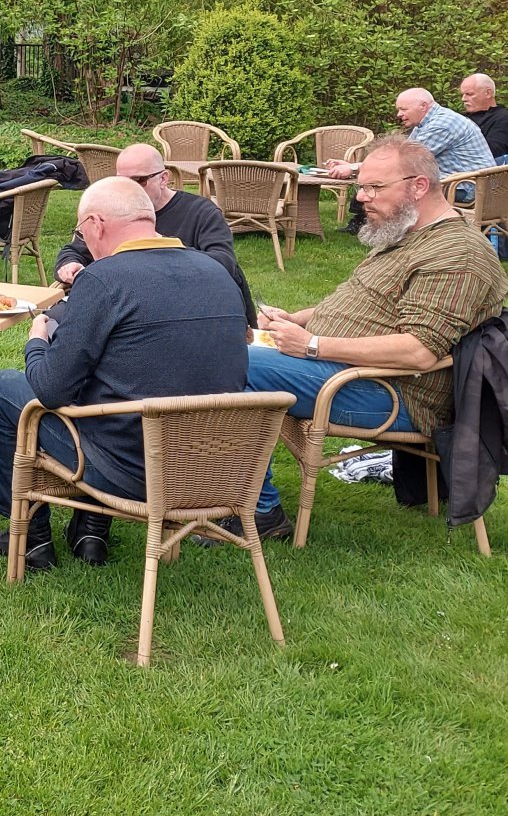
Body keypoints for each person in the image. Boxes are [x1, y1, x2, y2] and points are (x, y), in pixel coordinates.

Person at [0, 177, 249, 570]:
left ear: (97, 225)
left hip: (133, 472)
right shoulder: (218, 271)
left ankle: (30, 540)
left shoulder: (103, 279)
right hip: (216, 468)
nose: (83, 241)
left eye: (80, 232)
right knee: (113, 378)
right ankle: (89, 532)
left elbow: (51, 389)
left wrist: (37, 339)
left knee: (3, 388)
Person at [240, 135, 507, 537]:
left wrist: (312, 345)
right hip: (348, 371)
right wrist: (298, 319)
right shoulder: (405, 233)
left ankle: (259, 515)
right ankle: (211, 488)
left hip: (392, 393)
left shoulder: (458, 255)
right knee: (224, 345)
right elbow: (370, 303)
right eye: (361, 186)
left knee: (229, 362)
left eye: (374, 187)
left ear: (418, 186)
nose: (361, 197)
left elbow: (418, 351)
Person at [54, 143, 253, 319]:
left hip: (188, 309)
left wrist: (163, 250)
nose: (129, 188)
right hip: (132, 307)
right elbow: (76, 248)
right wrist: (69, 264)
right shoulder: (113, 211)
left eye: (138, 180)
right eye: (122, 181)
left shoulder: (201, 213)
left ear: (164, 178)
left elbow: (224, 263)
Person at [323, 89, 494, 182]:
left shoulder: (442, 125)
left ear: (423, 106)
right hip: (460, 182)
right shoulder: (426, 122)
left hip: (472, 187)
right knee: (398, 180)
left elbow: (403, 160)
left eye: (403, 109)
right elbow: (401, 154)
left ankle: (400, 237)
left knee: (397, 185)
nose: (398, 114)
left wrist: (353, 169)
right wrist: (353, 166)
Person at [459, 73, 508, 163]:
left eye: (469, 94)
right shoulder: (460, 118)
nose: (463, 99)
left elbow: (493, 151)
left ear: (488, 93)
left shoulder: (503, 118)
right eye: (462, 94)